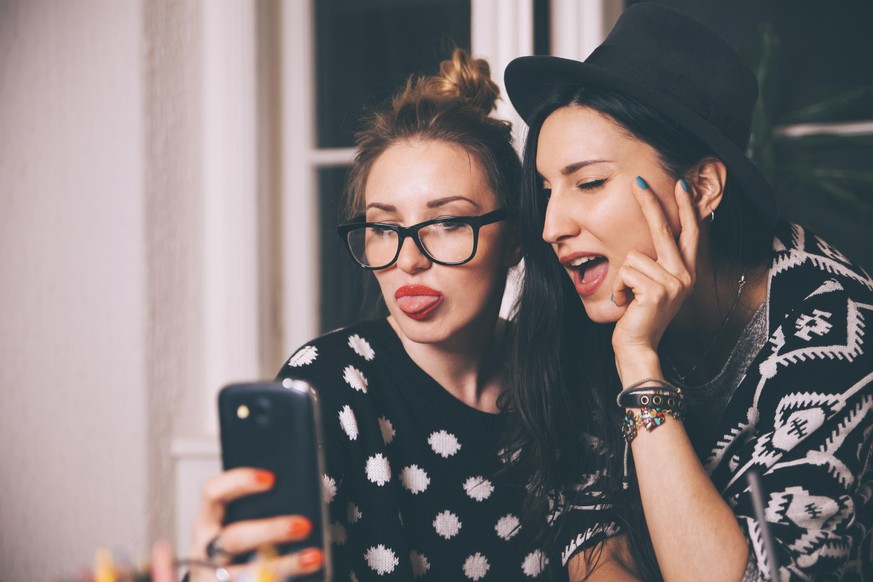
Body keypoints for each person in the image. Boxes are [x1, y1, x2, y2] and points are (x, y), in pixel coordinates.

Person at [501, 3, 873, 581]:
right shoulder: (583, 309)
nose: (552, 226)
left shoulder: (843, 338)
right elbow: (594, 541)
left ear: (700, 188)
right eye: (548, 190)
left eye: (590, 182)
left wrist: (640, 367)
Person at [189, 49, 553, 581]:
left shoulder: (557, 385)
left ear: (515, 237)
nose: (408, 259)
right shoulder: (329, 386)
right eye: (384, 227)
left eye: (448, 222)